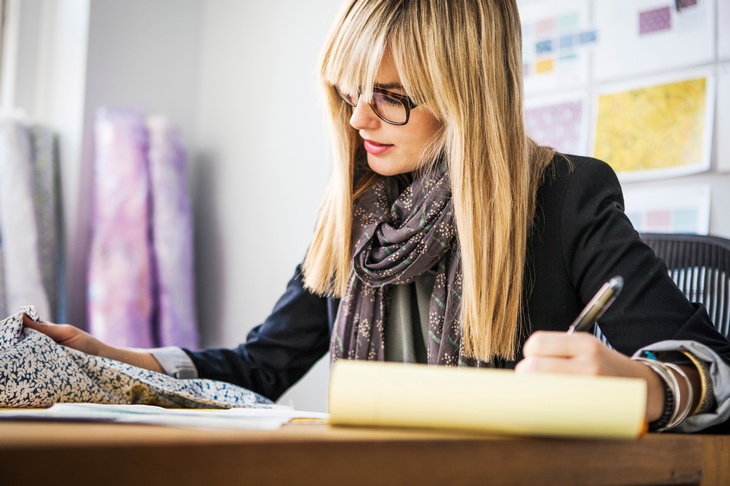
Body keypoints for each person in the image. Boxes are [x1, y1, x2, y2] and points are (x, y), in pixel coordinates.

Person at [25, 0, 730, 432]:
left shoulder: (568, 195)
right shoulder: (354, 210)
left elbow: (714, 368)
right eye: (352, 90)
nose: (360, 117)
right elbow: (260, 366)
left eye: (391, 95)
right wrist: (114, 359)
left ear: (467, 91)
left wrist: (651, 385)